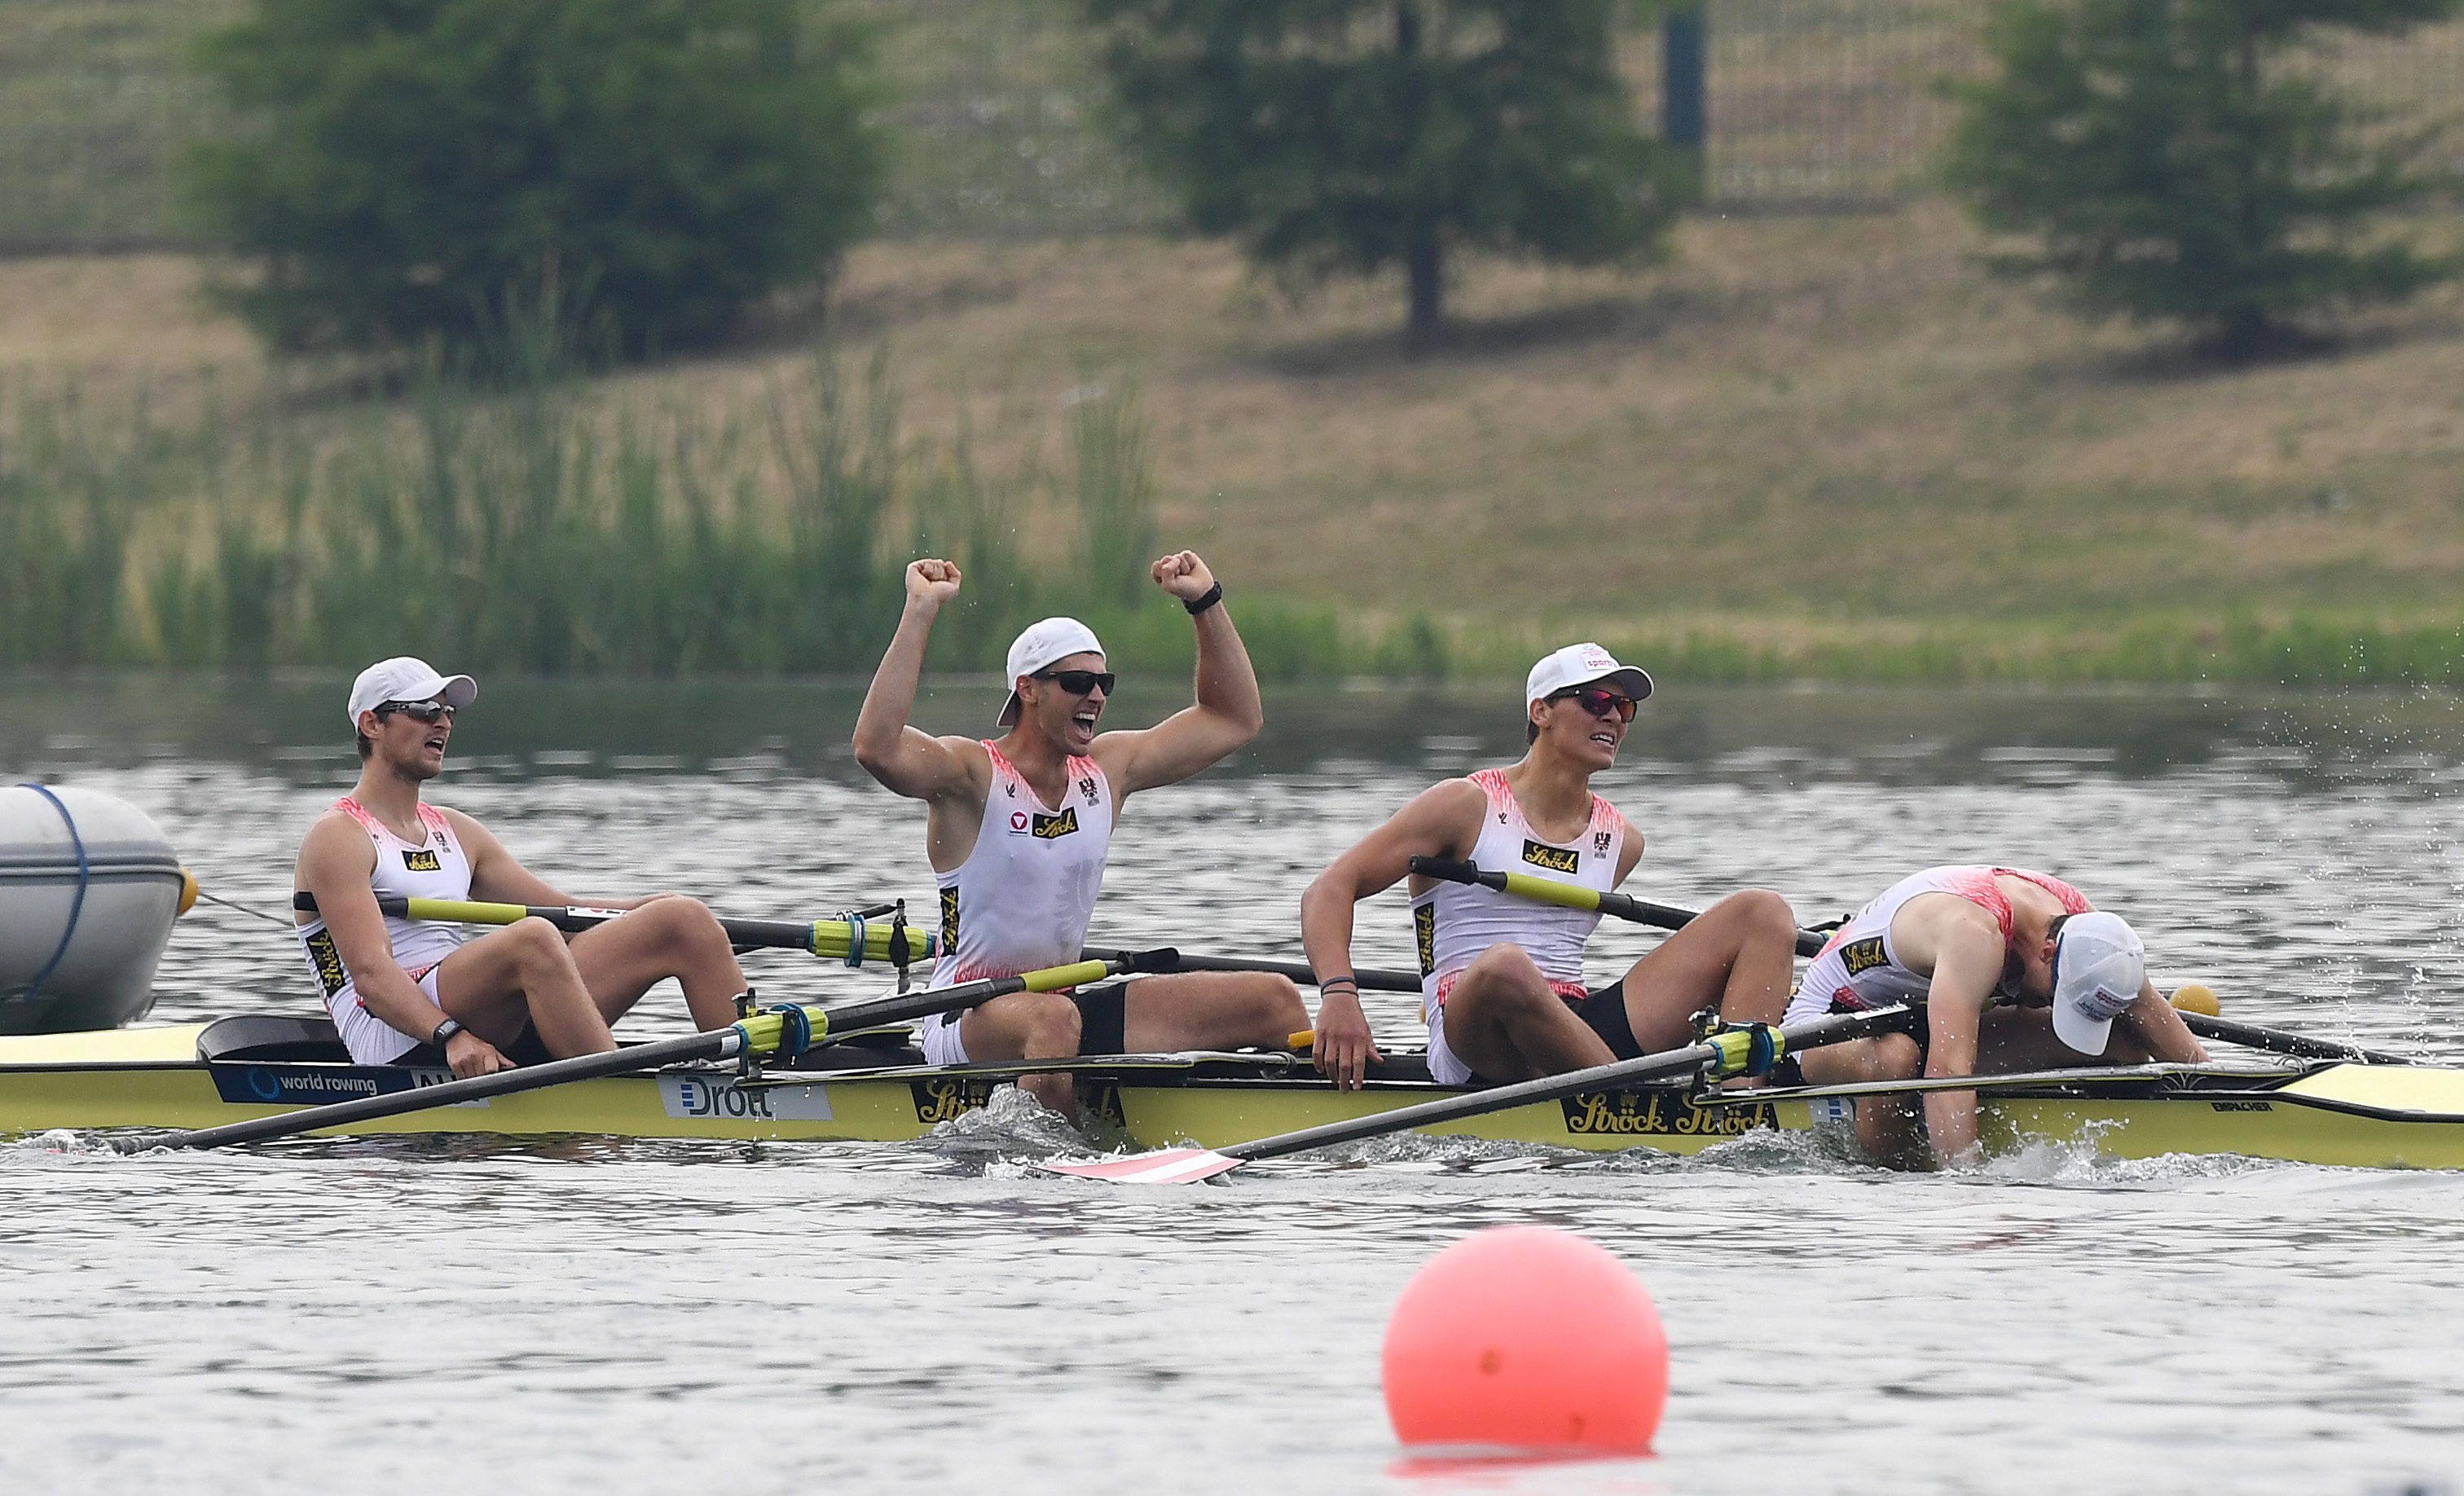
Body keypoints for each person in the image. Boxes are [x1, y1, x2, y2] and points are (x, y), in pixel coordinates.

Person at [851, 552, 1310, 1116]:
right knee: (1054, 1022)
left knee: (1275, 1000)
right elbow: (876, 746)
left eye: (1103, 683)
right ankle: (1056, 1178)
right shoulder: (972, 776)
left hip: (1061, 1003)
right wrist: (919, 612)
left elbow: (1234, 718)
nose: (1095, 696)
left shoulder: (1106, 770)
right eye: (1077, 682)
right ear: (1029, 690)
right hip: (965, 1014)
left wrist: (1204, 601)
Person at [1298, 644, 1802, 1091]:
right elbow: (1329, 890)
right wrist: (1340, 997)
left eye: (1624, 707)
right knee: (1506, 964)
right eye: (1596, 702)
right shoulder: (1464, 805)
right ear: (1541, 711)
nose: (1615, 719)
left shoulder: (1621, 840)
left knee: (1764, 913)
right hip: (1474, 1037)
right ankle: (1633, 1100)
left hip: (1570, 1021)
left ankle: (1742, 1100)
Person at [293, 657, 750, 1079]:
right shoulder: (338, 836)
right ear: (372, 724)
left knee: (682, 919)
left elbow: (570, 917)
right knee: (532, 939)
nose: (443, 721)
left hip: (482, 1012)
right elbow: (371, 977)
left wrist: (661, 911)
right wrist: (451, 1035)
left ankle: (761, 1079)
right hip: (399, 1036)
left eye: (448, 711)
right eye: (423, 709)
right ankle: (626, 1100)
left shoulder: (455, 831)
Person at [1784, 866, 2210, 1168]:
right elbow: (1950, 1072)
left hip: (1936, 1016)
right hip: (1834, 1020)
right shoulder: (1976, 934)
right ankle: (1897, 1171)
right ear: (2047, 953)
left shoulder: (2086, 928)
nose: (2047, 1007)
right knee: (1898, 1058)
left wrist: (2231, 1099)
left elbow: (2157, 1021)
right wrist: (1971, 1182)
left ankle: (1946, 1118)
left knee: (2126, 1042)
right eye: (2054, 997)